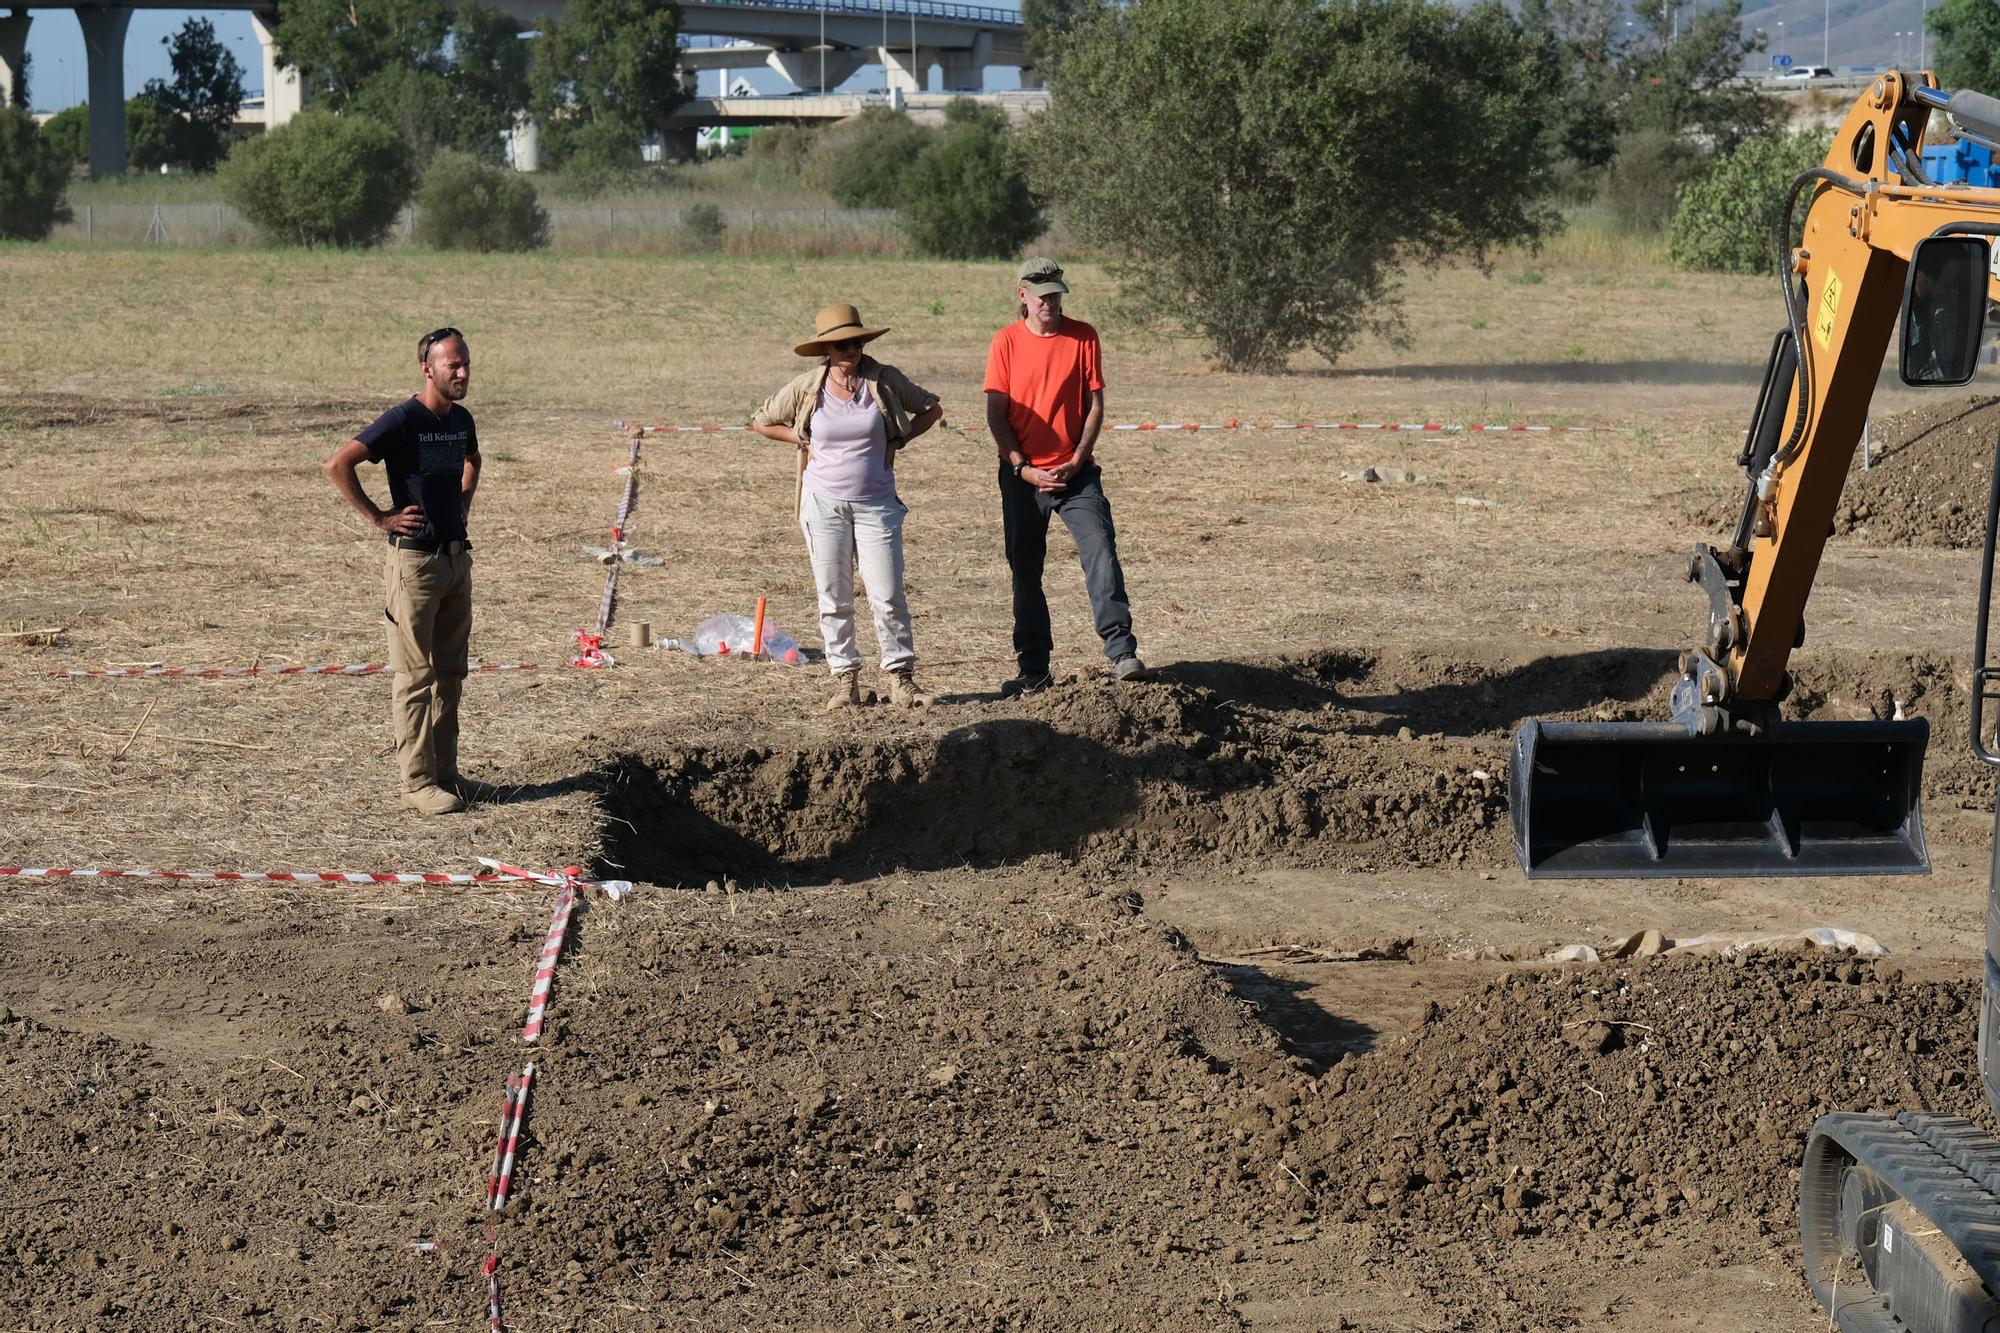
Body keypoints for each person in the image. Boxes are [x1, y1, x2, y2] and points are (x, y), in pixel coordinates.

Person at [751, 303, 943, 711]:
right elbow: (762, 421)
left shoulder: (884, 379)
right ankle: (845, 682)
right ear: (827, 350)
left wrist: (899, 440)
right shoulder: (808, 386)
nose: (850, 348)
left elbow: (931, 408)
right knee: (833, 597)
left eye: (856, 341)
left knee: (887, 595)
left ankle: (901, 680)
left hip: (877, 504)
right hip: (822, 506)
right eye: (841, 344)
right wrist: (799, 441)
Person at [323, 327, 484, 815]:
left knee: (451, 674)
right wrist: (380, 517)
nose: (462, 372)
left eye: (466, 363)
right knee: (416, 676)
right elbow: (338, 464)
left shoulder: (461, 419)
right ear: (427, 369)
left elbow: (473, 458)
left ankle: (445, 774)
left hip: (457, 560)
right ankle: (416, 783)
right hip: (414, 564)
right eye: (452, 365)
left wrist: (464, 501)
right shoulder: (402, 419)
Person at [984, 257, 1144, 697]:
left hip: (1077, 473)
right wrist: (1023, 468)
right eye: (1042, 296)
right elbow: (996, 415)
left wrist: (1078, 459)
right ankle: (1033, 669)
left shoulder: (1083, 336)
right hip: (1022, 476)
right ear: (1023, 296)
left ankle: (1121, 653)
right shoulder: (1005, 343)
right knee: (1025, 570)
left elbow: (1095, 405)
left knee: (1101, 552)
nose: (1051, 303)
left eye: (1056, 294)